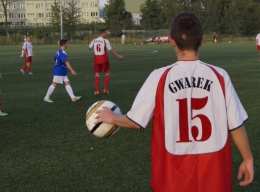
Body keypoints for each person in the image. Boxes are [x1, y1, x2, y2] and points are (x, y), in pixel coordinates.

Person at [95, 12, 254, 192]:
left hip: (171, 178)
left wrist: (113, 117)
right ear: (202, 41)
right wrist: (247, 159)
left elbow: (136, 121)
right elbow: (236, 125)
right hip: (214, 176)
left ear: (172, 42)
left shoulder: (159, 77)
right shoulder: (220, 76)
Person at [89, 29, 123, 95]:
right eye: (106, 33)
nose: (106, 34)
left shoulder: (94, 40)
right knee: (107, 73)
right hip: (104, 59)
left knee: (97, 74)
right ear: (103, 33)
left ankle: (97, 91)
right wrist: (118, 56)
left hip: (96, 59)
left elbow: (89, 48)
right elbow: (111, 50)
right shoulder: (105, 41)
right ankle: (105, 89)